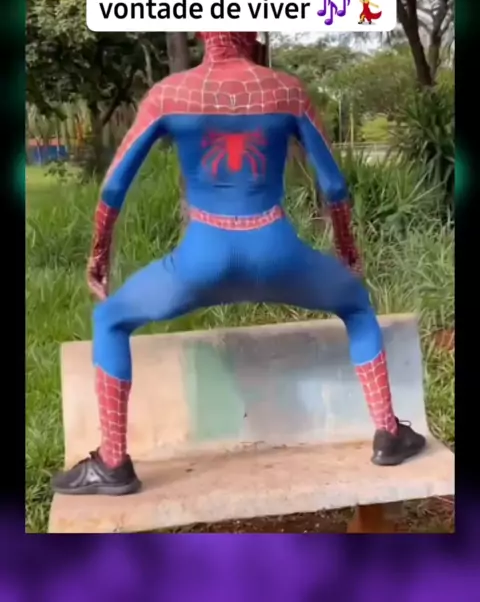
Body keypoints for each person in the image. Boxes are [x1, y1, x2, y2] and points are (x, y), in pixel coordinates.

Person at [52, 32, 425, 496]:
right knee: (356, 304)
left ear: (201, 33)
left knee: (110, 318)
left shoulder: (170, 94)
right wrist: (346, 246)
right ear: (251, 32)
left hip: (200, 260)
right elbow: (333, 185)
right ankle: (388, 433)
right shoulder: (287, 91)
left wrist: (99, 252)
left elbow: (113, 186)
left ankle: (113, 464)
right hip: (279, 253)